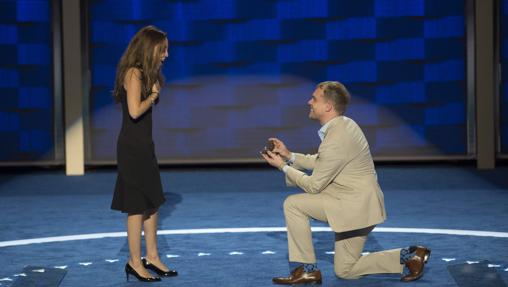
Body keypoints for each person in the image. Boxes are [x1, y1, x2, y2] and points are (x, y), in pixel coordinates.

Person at [261, 81, 430, 285]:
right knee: (346, 270)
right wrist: (289, 156)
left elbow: (314, 186)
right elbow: (323, 161)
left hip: (352, 206)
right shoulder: (345, 125)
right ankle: (410, 256)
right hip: (361, 205)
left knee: (294, 205)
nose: (309, 102)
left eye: (314, 98)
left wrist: (283, 166)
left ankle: (307, 270)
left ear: (328, 107)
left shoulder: (337, 137)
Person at [110, 25, 177, 282]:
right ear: (150, 49)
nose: (166, 55)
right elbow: (135, 111)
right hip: (131, 148)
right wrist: (153, 96)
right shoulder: (133, 74)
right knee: (136, 206)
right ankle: (134, 262)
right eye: (163, 50)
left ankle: (153, 257)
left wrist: (155, 84)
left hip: (145, 146)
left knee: (152, 202)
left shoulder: (149, 74)